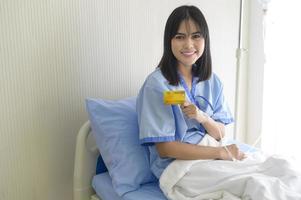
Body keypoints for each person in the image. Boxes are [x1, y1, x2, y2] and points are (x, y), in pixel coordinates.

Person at [136, 5, 244, 179]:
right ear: (169, 41)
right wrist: (219, 153)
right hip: (177, 167)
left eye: (196, 36)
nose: (188, 44)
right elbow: (165, 149)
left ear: (205, 40)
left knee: (272, 175)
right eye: (180, 37)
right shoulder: (157, 85)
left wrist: (202, 117)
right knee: (247, 183)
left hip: (212, 154)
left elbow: (220, 133)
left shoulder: (212, 81)